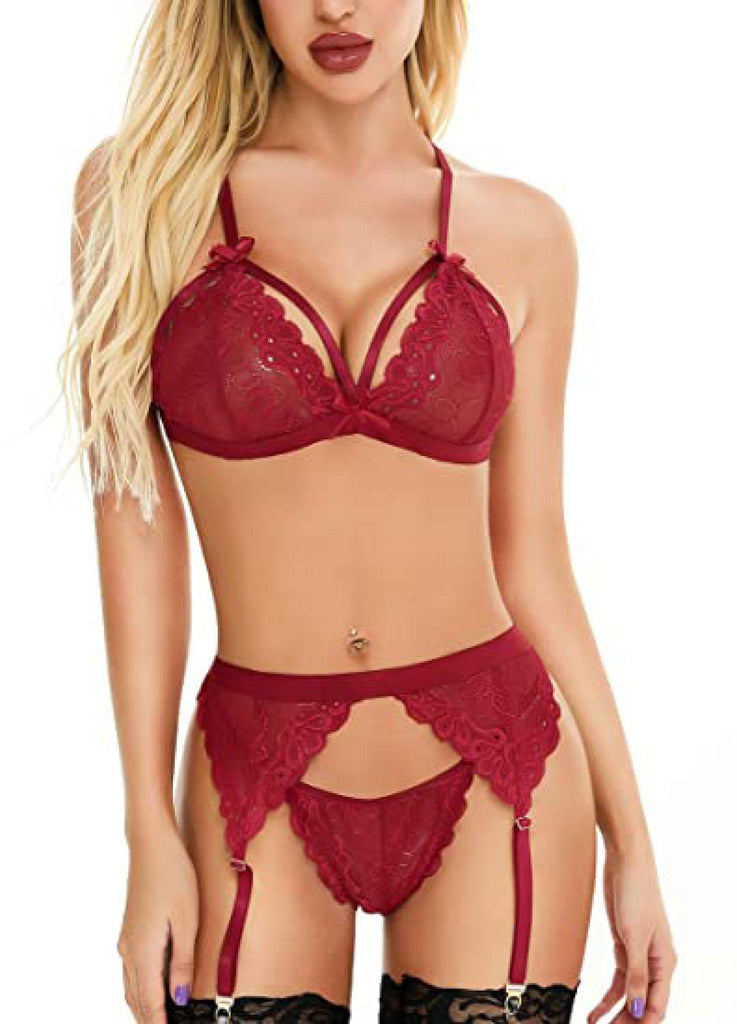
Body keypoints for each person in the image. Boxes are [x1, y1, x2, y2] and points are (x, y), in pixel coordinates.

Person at [62, 1, 676, 1022]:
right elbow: (133, 525)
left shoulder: (522, 230)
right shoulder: (141, 196)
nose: (335, 8)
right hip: (252, 764)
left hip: (503, 771)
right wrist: (145, 833)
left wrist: (634, 842)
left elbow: (532, 554)